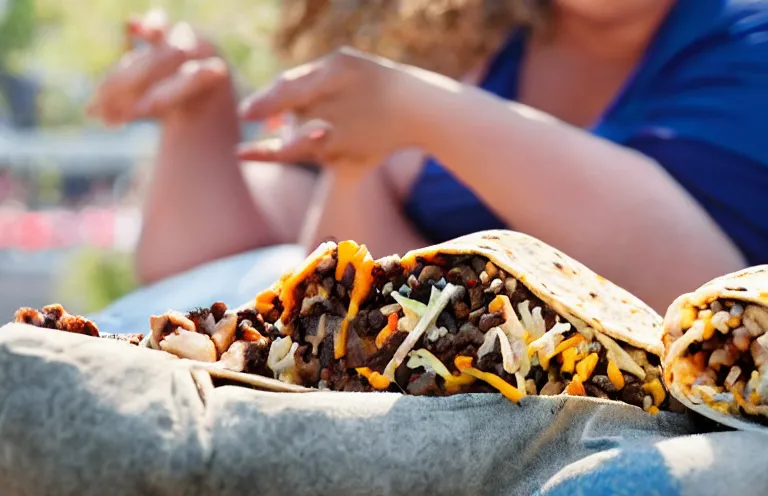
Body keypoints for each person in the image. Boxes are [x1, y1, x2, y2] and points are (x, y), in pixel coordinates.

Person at [88, 0, 768, 320]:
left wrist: (423, 112)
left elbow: (705, 293)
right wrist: (202, 117)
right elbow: (271, 273)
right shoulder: (463, 39)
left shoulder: (747, 41)